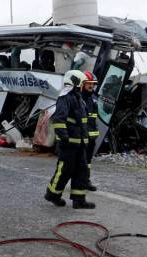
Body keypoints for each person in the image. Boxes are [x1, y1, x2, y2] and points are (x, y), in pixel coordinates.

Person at [44, 70, 95, 209]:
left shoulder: (79, 98)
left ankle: (79, 200)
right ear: (75, 81)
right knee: (64, 171)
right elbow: (59, 120)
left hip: (80, 143)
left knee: (82, 171)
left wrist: (86, 138)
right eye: (82, 82)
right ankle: (52, 195)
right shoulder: (65, 97)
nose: (83, 85)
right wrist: (64, 138)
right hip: (69, 144)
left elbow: (82, 121)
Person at [82, 71, 99, 191]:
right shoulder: (78, 97)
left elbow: (94, 118)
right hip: (81, 135)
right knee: (79, 160)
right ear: (83, 83)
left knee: (88, 161)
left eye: (93, 84)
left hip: (91, 136)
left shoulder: (94, 97)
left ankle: (85, 180)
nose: (91, 86)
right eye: (89, 83)